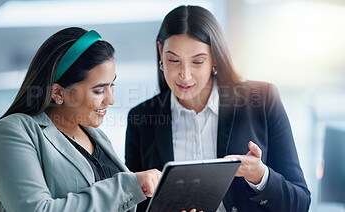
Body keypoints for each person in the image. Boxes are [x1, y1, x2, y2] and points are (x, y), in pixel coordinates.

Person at [125, 5, 311, 212]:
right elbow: (132, 203)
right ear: (161, 52)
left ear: (214, 56)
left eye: (197, 62)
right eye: (173, 60)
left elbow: (300, 203)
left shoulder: (263, 100)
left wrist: (261, 176)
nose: (185, 75)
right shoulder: (141, 118)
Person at [0, 27, 162, 212]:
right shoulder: (11, 132)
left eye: (111, 85)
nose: (111, 100)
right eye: (99, 90)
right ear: (58, 92)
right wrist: (128, 186)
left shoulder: (98, 137)